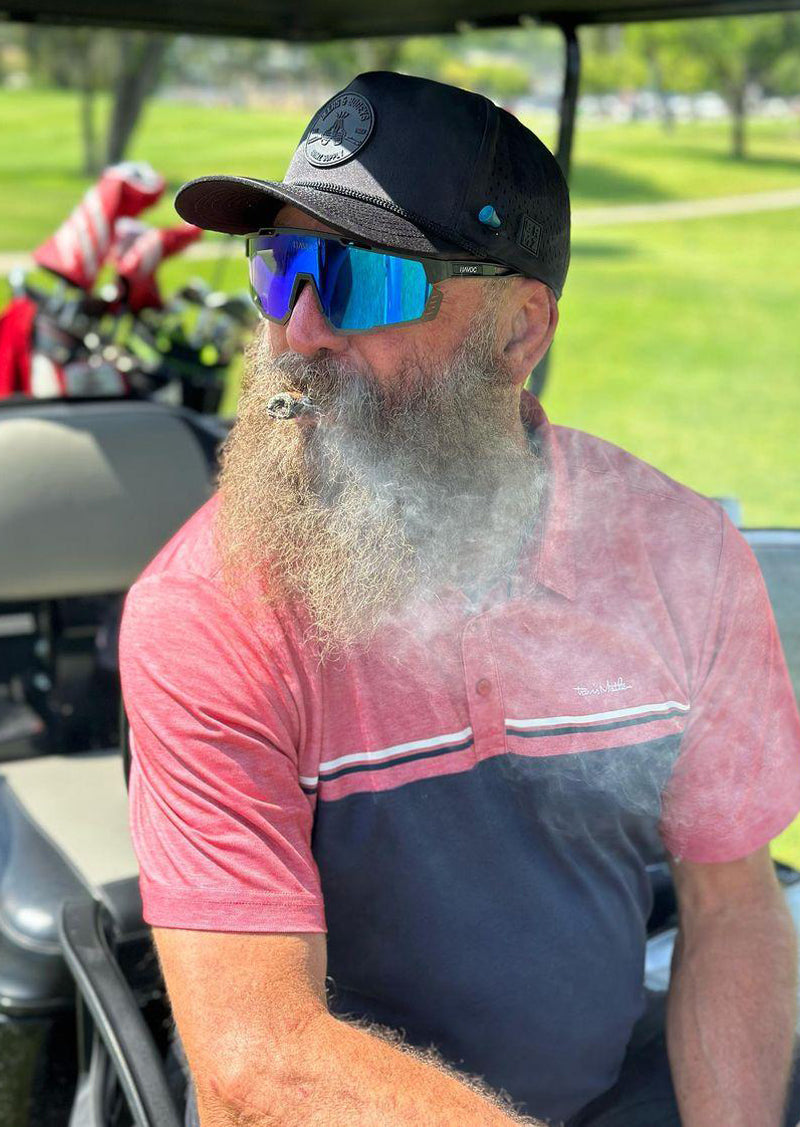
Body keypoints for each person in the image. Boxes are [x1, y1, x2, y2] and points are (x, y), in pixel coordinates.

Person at [119, 71, 800, 1127]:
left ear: (519, 330)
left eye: (359, 281)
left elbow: (730, 904)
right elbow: (261, 1066)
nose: (298, 331)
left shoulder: (681, 558)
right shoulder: (211, 609)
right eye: (280, 269)